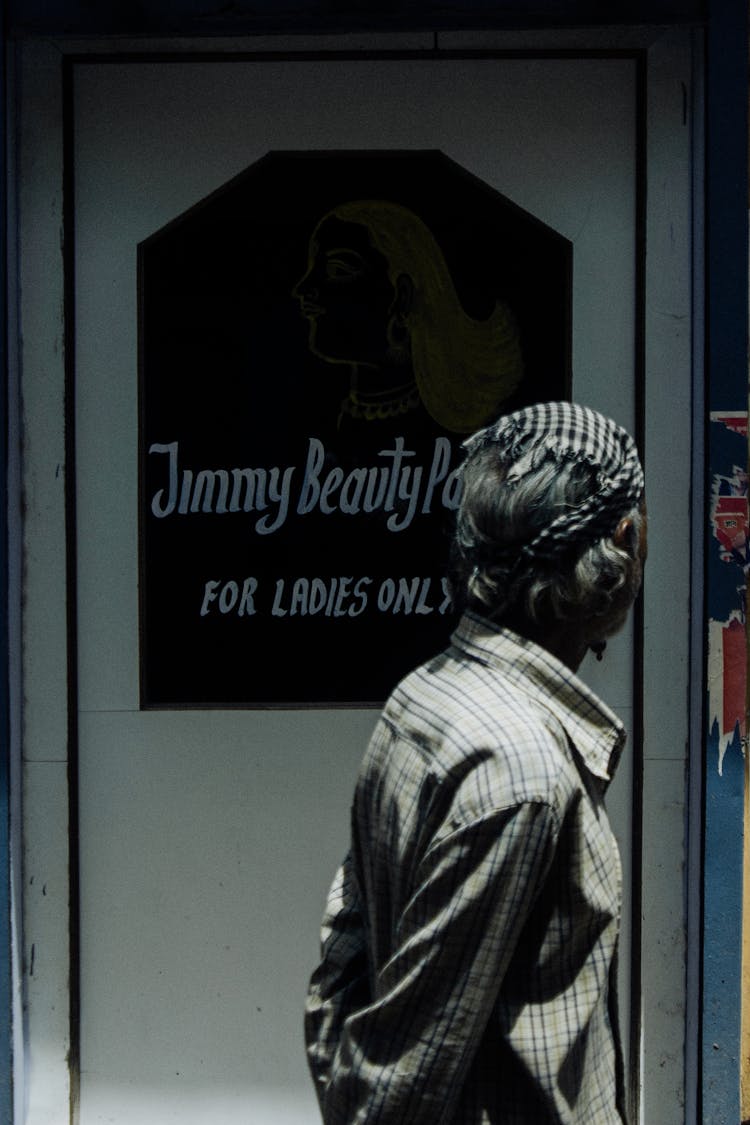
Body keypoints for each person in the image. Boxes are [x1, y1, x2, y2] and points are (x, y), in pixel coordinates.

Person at [304, 401, 646, 1124]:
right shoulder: (522, 773)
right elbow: (400, 1086)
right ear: (620, 542)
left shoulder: (425, 693)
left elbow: (346, 951)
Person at [293, 200, 524, 435]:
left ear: (401, 297)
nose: (302, 289)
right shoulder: (334, 417)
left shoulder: (433, 429)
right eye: (313, 270)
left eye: (338, 270)